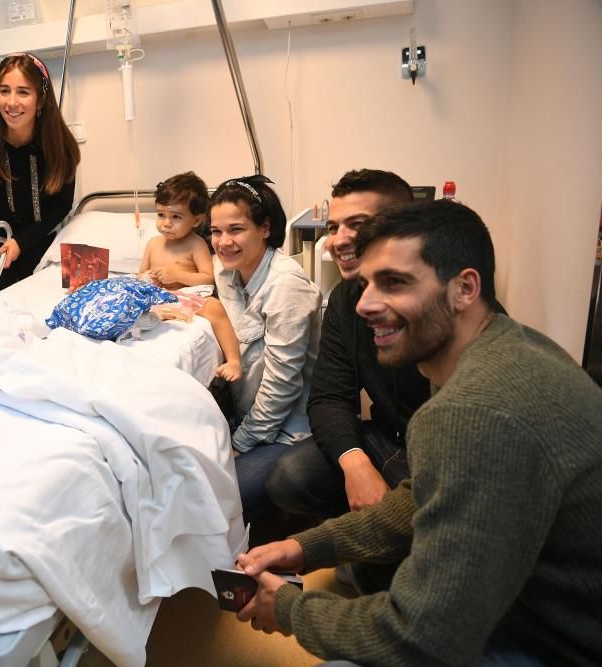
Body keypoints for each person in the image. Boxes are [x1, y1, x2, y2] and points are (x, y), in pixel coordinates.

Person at [235, 199, 602, 667]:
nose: (364, 303)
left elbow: (418, 638)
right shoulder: (515, 345)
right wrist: (305, 547)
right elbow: (418, 499)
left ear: (464, 288)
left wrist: (287, 608)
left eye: (393, 283)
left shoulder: (472, 410)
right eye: (366, 283)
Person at [268, 169, 426, 522]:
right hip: (387, 438)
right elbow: (328, 398)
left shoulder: (434, 299)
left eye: (357, 225)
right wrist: (354, 462)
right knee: (289, 477)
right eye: (333, 227)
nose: (337, 240)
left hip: (438, 451)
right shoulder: (345, 299)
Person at [210, 176, 321, 519]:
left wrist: (238, 444)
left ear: (265, 228)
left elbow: (281, 387)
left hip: (288, 432)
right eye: (215, 231)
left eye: (236, 229)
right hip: (247, 419)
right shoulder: (227, 273)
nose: (223, 242)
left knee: (213, 501)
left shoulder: (286, 286)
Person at [0, 52, 80, 296]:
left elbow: (62, 205)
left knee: (76, 298)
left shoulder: (60, 144)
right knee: (1, 316)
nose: (11, 102)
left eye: (23, 92)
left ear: (40, 100)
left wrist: (22, 241)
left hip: (44, 237)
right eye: (4, 90)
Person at [138, 171, 241, 381]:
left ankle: (234, 360)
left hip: (183, 298)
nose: (166, 223)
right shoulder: (153, 244)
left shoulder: (195, 244)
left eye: (176, 217)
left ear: (197, 220)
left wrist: (178, 274)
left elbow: (207, 278)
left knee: (214, 307)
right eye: (161, 215)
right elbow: (140, 274)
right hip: (156, 299)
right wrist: (147, 276)